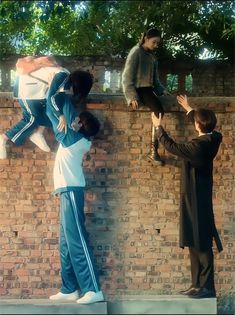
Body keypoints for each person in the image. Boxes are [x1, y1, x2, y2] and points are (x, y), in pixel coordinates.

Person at [151, 94, 223, 299]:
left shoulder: (198, 146)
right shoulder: (214, 137)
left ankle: (207, 287)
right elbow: (205, 125)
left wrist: (159, 127)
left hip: (196, 197)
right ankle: (196, 284)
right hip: (194, 194)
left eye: (195, 121)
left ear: (198, 125)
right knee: (193, 240)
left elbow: (173, 147)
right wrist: (190, 109)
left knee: (201, 242)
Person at [47, 92, 104, 304]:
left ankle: (93, 289)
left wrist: (61, 79)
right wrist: (62, 116)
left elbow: (56, 99)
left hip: (71, 192)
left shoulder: (73, 139)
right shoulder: (73, 137)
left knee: (77, 242)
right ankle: (69, 287)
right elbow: (54, 109)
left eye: (75, 120)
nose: (73, 121)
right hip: (65, 191)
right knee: (66, 243)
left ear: (79, 125)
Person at [0, 55, 93, 159]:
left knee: (50, 115)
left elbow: (54, 98)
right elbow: (52, 97)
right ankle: (3, 138)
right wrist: (61, 115)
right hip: (26, 89)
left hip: (36, 89)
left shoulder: (65, 77)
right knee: (32, 118)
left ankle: (38, 133)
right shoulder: (64, 76)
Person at [122, 27, 170, 166]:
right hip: (139, 90)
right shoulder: (135, 52)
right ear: (146, 39)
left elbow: (156, 80)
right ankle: (153, 151)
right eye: (154, 42)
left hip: (148, 90)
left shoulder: (152, 57)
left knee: (159, 111)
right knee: (158, 111)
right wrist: (131, 97)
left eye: (157, 43)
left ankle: (153, 151)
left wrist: (162, 91)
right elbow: (126, 76)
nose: (156, 45)